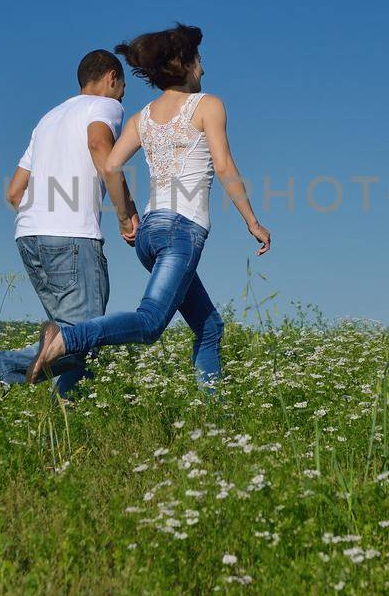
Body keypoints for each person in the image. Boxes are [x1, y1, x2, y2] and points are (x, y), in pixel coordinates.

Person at [27, 23, 271, 388]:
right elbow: (224, 167)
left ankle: (215, 414)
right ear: (187, 64)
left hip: (150, 236)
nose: (204, 69)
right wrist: (253, 221)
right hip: (181, 232)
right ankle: (65, 340)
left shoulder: (142, 116)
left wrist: (127, 220)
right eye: (200, 60)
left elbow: (111, 165)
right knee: (150, 322)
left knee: (208, 327)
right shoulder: (208, 106)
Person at [0, 49, 138, 397]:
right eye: (123, 86)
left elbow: (15, 191)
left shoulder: (47, 120)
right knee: (83, 339)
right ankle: (2, 365)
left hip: (29, 236)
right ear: (111, 77)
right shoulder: (105, 106)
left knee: (67, 334)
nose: (123, 94)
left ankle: (68, 416)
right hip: (72, 236)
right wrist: (125, 216)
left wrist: (43, 216)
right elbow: (100, 148)